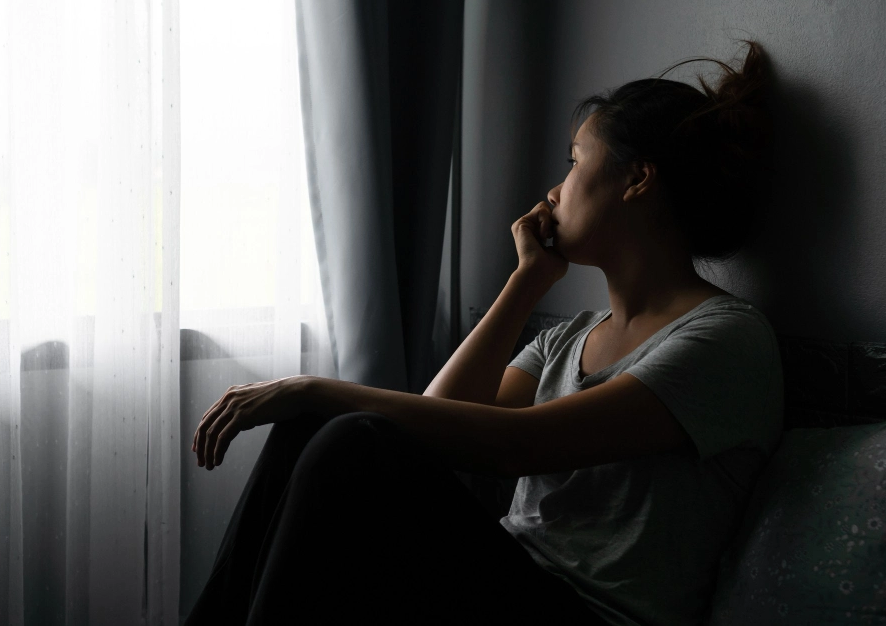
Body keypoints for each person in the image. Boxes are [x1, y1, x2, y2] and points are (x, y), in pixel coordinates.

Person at [185, 39, 783, 626]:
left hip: (589, 611)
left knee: (350, 440)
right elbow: (437, 421)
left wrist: (316, 387)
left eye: (575, 162)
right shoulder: (566, 338)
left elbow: (514, 446)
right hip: (503, 582)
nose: (554, 190)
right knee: (314, 431)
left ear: (638, 180)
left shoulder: (724, 339)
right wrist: (527, 281)